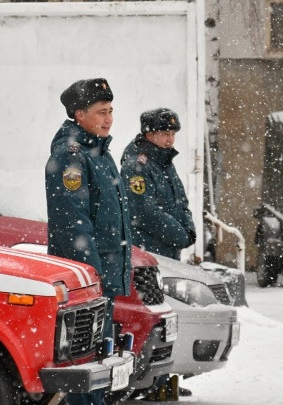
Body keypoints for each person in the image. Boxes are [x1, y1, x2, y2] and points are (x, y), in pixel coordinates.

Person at [45, 78, 131, 405]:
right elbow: (74, 225)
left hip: (102, 279)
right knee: (83, 365)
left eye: (111, 111)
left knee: (97, 364)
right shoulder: (72, 156)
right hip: (86, 283)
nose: (108, 118)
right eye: (101, 112)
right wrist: (92, 277)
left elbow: (113, 221)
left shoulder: (100, 153)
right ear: (79, 114)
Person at [120, 108, 196, 400]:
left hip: (168, 250)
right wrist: (179, 233)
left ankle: (165, 376)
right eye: (165, 133)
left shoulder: (163, 162)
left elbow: (180, 200)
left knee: (170, 316)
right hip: (150, 252)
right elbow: (144, 212)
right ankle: (151, 379)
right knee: (154, 318)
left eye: (173, 133)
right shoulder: (137, 165)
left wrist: (188, 229)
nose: (170, 139)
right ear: (149, 134)